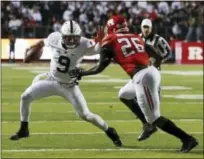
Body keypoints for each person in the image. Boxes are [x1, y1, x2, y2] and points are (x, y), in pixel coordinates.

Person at [72, 15, 198, 153]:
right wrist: (152, 70)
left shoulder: (110, 39)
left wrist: (82, 73)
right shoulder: (135, 36)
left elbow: (99, 68)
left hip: (142, 77)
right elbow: (157, 55)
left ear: (112, 28)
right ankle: (146, 125)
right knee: (124, 94)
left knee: (155, 118)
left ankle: (187, 139)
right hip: (149, 72)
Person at [10, 20, 122, 147]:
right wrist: (34, 48)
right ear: (62, 36)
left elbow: (96, 50)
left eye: (74, 38)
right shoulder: (54, 38)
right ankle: (24, 129)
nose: (71, 41)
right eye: (68, 38)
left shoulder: (84, 43)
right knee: (25, 97)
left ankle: (109, 130)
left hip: (69, 86)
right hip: (51, 80)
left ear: (79, 37)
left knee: (85, 115)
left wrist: (101, 41)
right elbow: (43, 42)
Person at [120, 18, 172, 142]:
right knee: (131, 95)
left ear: (151, 27)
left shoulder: (158, 39)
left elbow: (168, 51)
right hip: (140, 72)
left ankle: (151, 122)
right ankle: (148, 122)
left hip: (152, 72)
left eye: (148, 27)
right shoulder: (137, 38)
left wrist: (158, 61)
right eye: (144, 27)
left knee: (154, 98)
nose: (146, 29)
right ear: (141, 27)